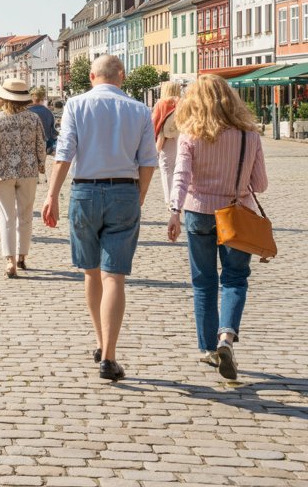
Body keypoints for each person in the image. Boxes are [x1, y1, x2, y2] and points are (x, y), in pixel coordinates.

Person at [42, 54, 156, 381]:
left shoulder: (76, 105)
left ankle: (99, 339)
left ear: (92, 76)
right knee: (114, 277)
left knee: (91, 273)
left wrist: (51, 195)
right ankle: (109, 356)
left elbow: (64, 154)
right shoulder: (139, 109)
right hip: (124, 191)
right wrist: (139, 196)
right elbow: (148, 161)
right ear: (122, 76)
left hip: (85, 191)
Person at [167, 74, 267, 380]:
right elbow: (260, 184)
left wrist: (174, 211)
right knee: (235, 279)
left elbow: (181, 175)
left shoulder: (191, 134)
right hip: (236, 214)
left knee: (204, 282)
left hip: (199, 213)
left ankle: (209, 349)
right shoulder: (249, 135)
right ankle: (226, 337)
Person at [0, 79, 46, 277]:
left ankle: (10, 261)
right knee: (26, 215)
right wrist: (41, 165)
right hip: (28, 171)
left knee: (6, 216)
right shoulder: (34, 118)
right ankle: (22, 256)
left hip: (3, 172)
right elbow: (41, 144)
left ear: (4, 97)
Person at [153, 81, 182, 208]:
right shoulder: (183, 103)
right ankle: (179, 198)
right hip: (181, 138)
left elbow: (155, 123)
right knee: (180, 169)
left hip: (166, 140)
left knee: (166, 170)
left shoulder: (162, 103)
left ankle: (170, 200)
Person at [28, 87, 57, 184]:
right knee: (41, 160)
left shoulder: (26, 112)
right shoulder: (48, 112)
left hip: (29, 141)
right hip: (44, 141)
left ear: (32, 97)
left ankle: (33, 177)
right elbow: (53, 130)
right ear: (43, 98)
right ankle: (41, 176)